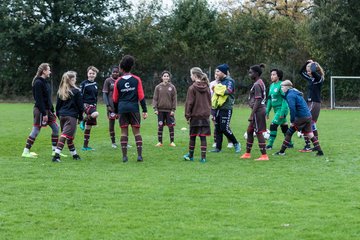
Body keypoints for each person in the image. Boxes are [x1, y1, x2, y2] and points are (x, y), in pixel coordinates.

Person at [21, 63, 62, 158]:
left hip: (47, 110)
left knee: (56, 128)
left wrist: (52, 110)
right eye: (48, 69)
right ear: (44, 71)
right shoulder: (38, 83)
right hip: (40, 110)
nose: (50, 71)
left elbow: (48, 98)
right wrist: (44, 113)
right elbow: (39, 100)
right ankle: (25, 152)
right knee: (36, 130)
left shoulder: (45, 82)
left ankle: (54, 151)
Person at [274, 80, 324, 156]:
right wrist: (279, 93)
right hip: (308, 116)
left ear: (287, 87)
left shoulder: (290, 95)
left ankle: (281, 152)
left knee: (289, 133)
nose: (281, 88)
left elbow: (292, 108)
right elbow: (285, 96)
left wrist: (292, 121)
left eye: (282, 87)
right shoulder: (293, 91)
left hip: (301, 117)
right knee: (310, 134)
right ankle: (320, 152)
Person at [112, 55, 148, 163]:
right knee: (136, 132)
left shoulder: (118, 81)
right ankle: (140, 156)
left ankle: (124, 157)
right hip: (134, 109)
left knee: (124, 132)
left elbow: (115, 98)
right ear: (131, 67)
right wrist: (145, 110)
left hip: (122, 109)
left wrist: (116, 112)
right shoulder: (137, 79)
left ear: (121, 68)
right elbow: (141, 96)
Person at [52, 71, 84, 162]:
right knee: (65, 135)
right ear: (72, 80)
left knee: (69, 136)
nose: (75, 80)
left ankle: (75, 155)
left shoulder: (61, 91)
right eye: (74, 79)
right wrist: (81, 118)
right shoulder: (77, 92)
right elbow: (80, 107)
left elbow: (57, 106)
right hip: (71, 117)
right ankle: (56, 156)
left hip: (62, 116)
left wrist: (59, 116)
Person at [209, 64, 241, 153]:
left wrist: (217, 89)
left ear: (223, 72)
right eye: (215, 71)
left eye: (218, 71)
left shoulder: (230, 81)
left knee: (224, 128)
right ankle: (218, 148)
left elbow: (229, 91)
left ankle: (236, 143)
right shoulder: (220, 81)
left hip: (226, 108)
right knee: (218, 128)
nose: (216, 73)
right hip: (218, 108)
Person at [240, 64, 269, 161]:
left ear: (256, 73)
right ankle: (247, 153)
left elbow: (258, 100)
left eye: (251, 72)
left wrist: (252, 114)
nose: (249, 74)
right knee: (249, 131)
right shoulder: (259, 82)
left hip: (258, 111)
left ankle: (264, 156)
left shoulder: (257, 84)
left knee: (259, 132)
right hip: (258, 110)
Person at [183, 67, 211, 163]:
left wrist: (187, 115)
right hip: (205, 116)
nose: (190, 76)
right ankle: (203, 158)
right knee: (203, 137)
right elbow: (209, 101)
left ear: (195, 75)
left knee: (193, 136)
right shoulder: (207, 87)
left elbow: (189, 103)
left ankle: (190, 155)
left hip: (195, 116)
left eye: (191, 75)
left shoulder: (192, 88)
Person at [299, 60, 325, 152]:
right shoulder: (311, 79)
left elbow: (313, 72)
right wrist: (306, 63)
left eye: (309, 70)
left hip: (314, 103)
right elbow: (300, 72)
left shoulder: (319, 78)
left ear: (315, 69)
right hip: (310, 103)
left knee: (306, 122)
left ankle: (307, 146)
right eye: (307, 70)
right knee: (312, 124)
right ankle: (315, 145)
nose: (308, 72)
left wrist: (313, 63)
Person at [265, 68, 293, 150]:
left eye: (274, 74)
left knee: (273, 125)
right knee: (284, 127)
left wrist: (282, 112)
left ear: (279, 76)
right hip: (276, 110)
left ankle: (270, 145)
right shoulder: (271, 86)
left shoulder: (282, 85)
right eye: (271, 75)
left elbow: (285, 100)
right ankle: (290, 143)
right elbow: (270, 99)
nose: (272, 76)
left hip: (282, 109)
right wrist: (267, 111)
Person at [152, 70, 177, 147]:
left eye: (167, 76)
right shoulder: (158, 87)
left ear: (169, 78)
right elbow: (155, 98)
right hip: (160, 111)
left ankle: (172, 142)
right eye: (164, 76)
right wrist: (155, 109)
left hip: (169, 111)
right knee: (160, 126)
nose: (166, 77)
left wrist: (173, 110)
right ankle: (160, 142)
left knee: (171, 126)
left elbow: (174, 99)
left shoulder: (172, 87)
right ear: (162, 77)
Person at [209, 74, 233, 149]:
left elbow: (226, 92)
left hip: (222, 106)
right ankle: (216, 142)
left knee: (225, 126)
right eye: (215, 73)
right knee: (216, 124)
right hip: (213, 106)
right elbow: (210, 94)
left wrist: (217, 90)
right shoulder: (212, 83)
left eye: (218, 73)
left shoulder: (225, 83)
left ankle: (231, 141)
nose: (216, 75)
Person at [79, 66, 99, 151]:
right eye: (90, 73)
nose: (91, 75)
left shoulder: (96, 84)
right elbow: (80, 96)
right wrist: (81, 107)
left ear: (95, 75)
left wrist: (95, 105)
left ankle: (85, 146)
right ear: (87, 74)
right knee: (96, 114)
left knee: (89, 126)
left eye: (93, 73)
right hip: (86, 105)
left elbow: (96, 96)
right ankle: (83, 120)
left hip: (93, 105)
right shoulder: (84, 84)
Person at [103, 66, 120, 148]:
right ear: (111, 72)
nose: (115, 73)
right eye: (114, 72)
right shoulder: (108, 81)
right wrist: (107, 105)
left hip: (120, 107)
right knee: (111, 125)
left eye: (117, 72)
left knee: (124, 124)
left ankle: (125, 141)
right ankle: (113, 143)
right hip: (111, 107)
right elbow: (105, 94)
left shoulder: (121, 80)